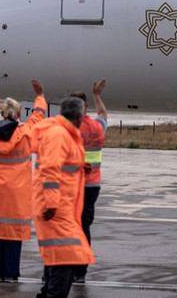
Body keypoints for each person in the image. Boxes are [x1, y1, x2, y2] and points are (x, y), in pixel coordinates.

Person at [0, 76, 47, 283]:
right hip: (17, 193)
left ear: (2, 114)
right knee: (14, 236)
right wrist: (40, 96)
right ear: (17, 116)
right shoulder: (25, 133)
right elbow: (38, 116)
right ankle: (12, 274)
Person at [33, 97, 95, 298]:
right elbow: (50, 170)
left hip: (62, 207)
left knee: (61, 259)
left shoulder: (66, 133)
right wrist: (51, 203)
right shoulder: (59, 134)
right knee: (65, 257)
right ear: (79, 116)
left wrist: (79, 167)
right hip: (55, 207)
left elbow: (60, 164)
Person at [70, 79, 107, 283]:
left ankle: (65, 268)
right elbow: (103, 114)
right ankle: (81, 273)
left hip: (74, 186)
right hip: (93, 185)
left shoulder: (71, 129)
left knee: (69, 227)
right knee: (85, 229)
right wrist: (97, 96)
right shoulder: (97, 126)